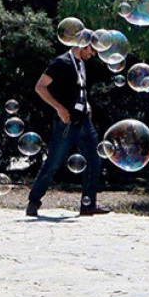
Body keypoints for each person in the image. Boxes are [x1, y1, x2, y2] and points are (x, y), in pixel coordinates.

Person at [26, 44, 110, 217]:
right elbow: (40, 87)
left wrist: (87, 105)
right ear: (83, 45)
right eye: (92, 50)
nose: (93, 54)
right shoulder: (61, 62)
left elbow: (79, 89)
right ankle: (33, 202)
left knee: (94, 161)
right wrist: (59, 108)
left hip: (84, 120)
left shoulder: (81, 63)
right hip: (67, 122)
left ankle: (88, 205)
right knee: (53, 163)